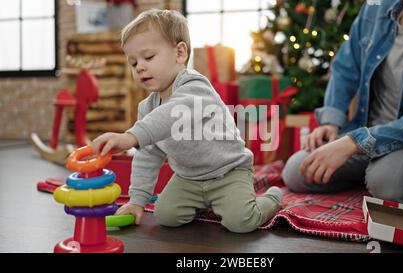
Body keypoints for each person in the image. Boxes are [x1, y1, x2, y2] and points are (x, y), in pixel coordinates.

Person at [91, 9, 282, 232]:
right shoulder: (147, 108)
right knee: (166, 216)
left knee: (240, 221)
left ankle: (272, 198)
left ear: (180, 53)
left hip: (228, 171)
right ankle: (204, 202)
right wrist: (137, 201)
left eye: (149, 57)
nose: (140, 67)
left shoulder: (195, 87)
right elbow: (148, 155)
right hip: (189, 178)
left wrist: (131, 136)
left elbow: (172, 114)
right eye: (133, 63)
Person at [282, 0, 403, 210]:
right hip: (367, 133)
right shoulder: (374, 8)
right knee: (297, 170)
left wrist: (353, 143)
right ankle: (373, 173)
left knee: (388, 183)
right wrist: (331, 122)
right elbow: (345, 67)